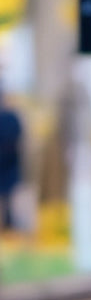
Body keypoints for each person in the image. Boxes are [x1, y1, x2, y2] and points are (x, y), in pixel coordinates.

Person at [0, 85, 23, 230]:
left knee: (8, 195)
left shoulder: (12, 117)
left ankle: (9, 223)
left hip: (9, 162)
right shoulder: (11, 117)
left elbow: (18, 136)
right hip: (8, 161)